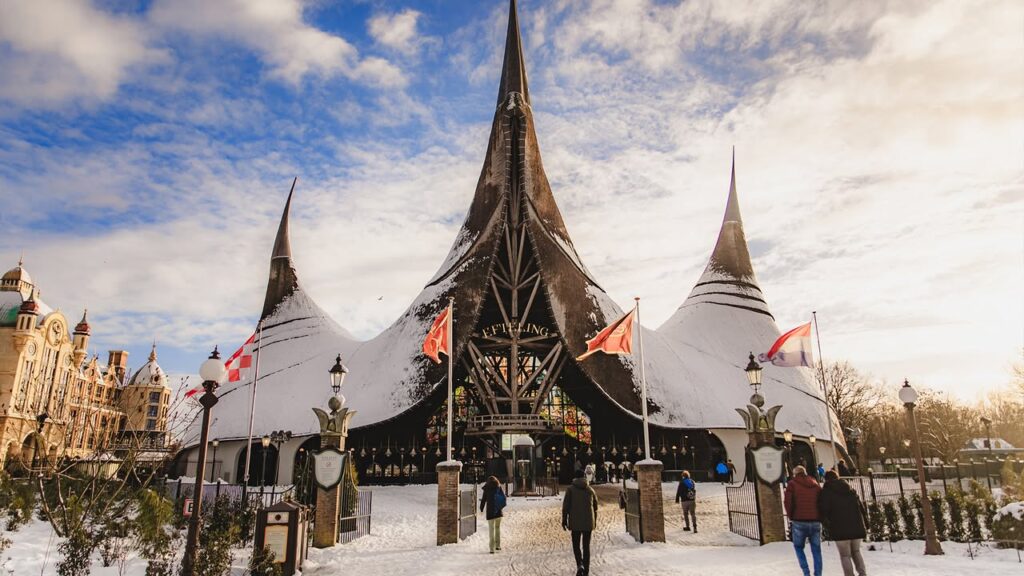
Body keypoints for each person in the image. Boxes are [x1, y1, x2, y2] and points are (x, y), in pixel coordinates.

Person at [819, 470, 868, 576]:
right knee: (856, 551)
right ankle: (863, 573)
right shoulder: (850, 490)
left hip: (839, 528)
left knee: (845, 555)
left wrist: (827, 526)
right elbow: (861, 508)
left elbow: (823, 511)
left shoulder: (826, 492)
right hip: (856, 526)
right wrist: (866, 524)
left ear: (826, 479)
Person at [785, 465, 823, 576]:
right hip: (815, 520)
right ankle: (818, 574)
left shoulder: (792, 484)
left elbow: (788, 502)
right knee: (816, 550)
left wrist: (791, 516)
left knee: (798, 547)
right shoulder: (815, 484)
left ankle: (806, 572)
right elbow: (821, 500)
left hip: (799, 520)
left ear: (795, 474)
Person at [562, 469, 598, 576]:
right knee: (586, 547)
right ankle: (586, 570)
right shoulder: (590, 490)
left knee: (576, 545)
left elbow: (566, 506)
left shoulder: (570, 490)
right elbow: (596, 506)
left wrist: (564, 519)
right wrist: (594, 520)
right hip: (588, 523)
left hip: (575, 523)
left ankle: (580, 564)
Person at [480, 476, 506, 553]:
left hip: (490, 512)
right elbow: (503, 497)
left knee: (491, 530)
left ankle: (492, 548)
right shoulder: (498, 487)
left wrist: (481, 509)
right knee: (497, 528)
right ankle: (498, 546)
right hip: (498, 511)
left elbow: (483, 500)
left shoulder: (487, 488)